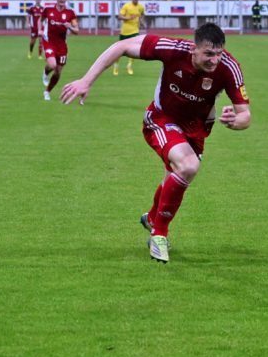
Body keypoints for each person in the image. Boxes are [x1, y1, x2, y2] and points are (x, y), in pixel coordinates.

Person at [60, 23, 251, 264]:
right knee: (188, 166)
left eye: (219, 53)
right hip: (161, 120)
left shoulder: (229, 67)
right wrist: (86, 81)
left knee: (175, 177)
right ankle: (159, 234)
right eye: (208, 54)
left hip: (197, 129)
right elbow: (122, 46)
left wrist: (236, 121)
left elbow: (245, 115)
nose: (214, 60)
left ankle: (152, 218)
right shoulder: (173, 49)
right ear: (194, 49)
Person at [41, 0, 78, 101]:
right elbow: (40, 20)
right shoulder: (48, 10)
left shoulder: (70, 13)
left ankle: (47, 91)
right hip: (49, 42)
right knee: (52, 65)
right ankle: (46, 72)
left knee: (57, 72)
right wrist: (40, 30)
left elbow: (77, 31)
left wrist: (70, 27)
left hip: (62, 45)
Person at [113, 0, 145, 75]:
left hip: (135, 31)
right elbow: (119, 17)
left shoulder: (141, 7)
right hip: (125, 32)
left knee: (135, 49)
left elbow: (141, 15)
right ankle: (116, 66)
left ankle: (129, 66)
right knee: (119, 51)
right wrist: (128, 18)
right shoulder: (126, 6)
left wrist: (142, 23)